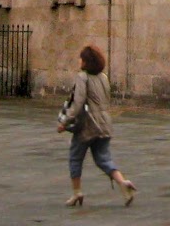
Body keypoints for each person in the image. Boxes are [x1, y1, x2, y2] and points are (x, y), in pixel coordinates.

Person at [56, 44, 136, 208]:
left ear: (86, 62)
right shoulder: (104, 77)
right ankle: (122, 182)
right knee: (103, 158)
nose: (79, 61)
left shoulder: (82, 77)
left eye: (81, 59)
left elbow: (78, 104)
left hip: (88, 126)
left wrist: (64, 122)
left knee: (75, 157)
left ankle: (77, 192)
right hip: (105, 123)